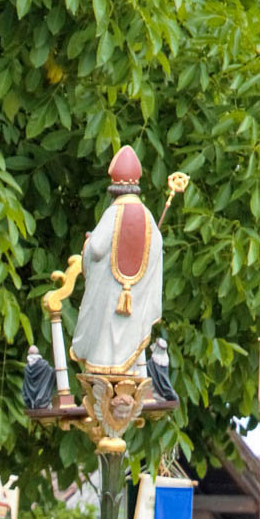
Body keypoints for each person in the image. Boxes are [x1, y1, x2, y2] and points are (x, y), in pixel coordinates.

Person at [70, 146, 163, 376]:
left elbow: (97, 248)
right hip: (135, 301)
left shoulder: (114, 213)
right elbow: (155, 251)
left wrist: (89, 242)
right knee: (128, 344)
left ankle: (104, 370)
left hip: (110, 297)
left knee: (104, 342)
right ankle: (126, 371)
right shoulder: (148, 217)